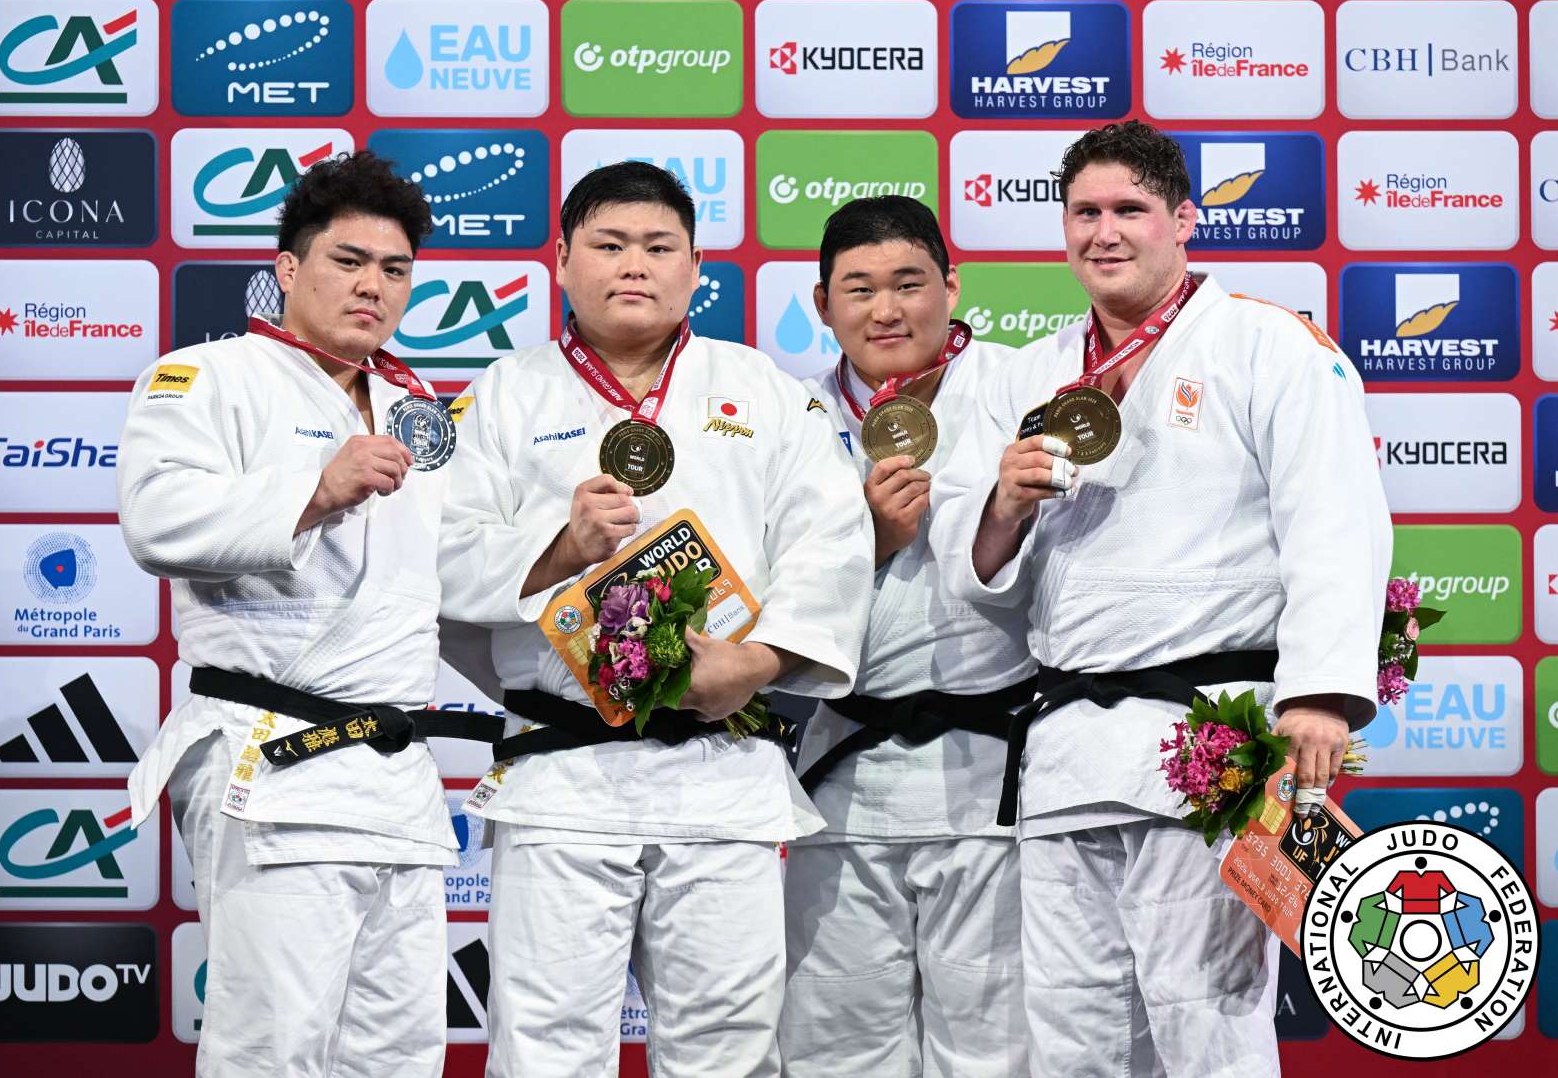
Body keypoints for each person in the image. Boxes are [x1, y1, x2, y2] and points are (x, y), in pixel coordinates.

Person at [929, 120, 1392, 1077]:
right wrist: (1002, 504)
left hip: (1207, 739)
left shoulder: (1269, 345)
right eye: (1084, 212)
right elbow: (969, 564)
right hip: (1065, 755)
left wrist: (1319, 694)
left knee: (1207, 1022)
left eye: (1129, 210)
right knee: (1072, 1032)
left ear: (1183, 220)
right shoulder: (1028, 372)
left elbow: (1337, 518)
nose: (1104, 231)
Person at [437, 161, 873, 1078]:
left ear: (695, 265)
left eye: (658, 247)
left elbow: (831, 544)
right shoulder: (503, 395)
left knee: (728, 1051)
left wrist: (755, 665)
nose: (634, 265)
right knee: (546, 1050)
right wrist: (559, 547)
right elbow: (438, 557)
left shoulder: (761, 391)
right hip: (563, 779)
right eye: (608, 244)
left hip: (723, 775)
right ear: (560, 260)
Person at [119, 151, 469, 1077]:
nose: (373, 287)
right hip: (274, 758)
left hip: (395, 778)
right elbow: (156, 521)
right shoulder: (204, 377)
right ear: (287, 269)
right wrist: (314, 490)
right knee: (272, 1047)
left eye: (394, 270)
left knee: (398, 1053)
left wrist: (572, 553)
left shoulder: (417, 409)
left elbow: (450, 577)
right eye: (347, 261)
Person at [780, 196, 1032, 1077]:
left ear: (952, 287)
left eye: (909, 284)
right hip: (839, 788)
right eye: (859, 289)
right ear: (822, 305)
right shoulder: (785, 420)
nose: (886, 309)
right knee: (834, 1052)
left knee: (996, 1053)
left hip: (991, 789)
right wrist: (867, 542)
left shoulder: (1020, 390)